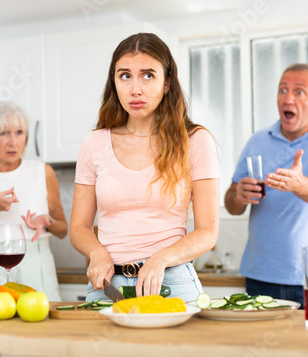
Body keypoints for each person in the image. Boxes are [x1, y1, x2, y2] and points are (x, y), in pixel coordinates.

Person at [70, 33, 219, 303]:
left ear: (167, 83)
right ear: (114, 82)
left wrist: (161, 258)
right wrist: (97, 253)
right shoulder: (94, 143)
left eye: (148, 75)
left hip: (170, 281)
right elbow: (79, 226)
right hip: (106, 285)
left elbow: (207, 232)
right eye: (125, 76)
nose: (135, 89)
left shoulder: (195, 141)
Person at [224, 63, 308, 310]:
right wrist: (238, 196)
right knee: (262, 349)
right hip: (261, 276)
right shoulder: (257, 140)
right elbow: (231, 204)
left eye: (299, 91)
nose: (288, 98)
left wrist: (298, 184)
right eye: (282, 90)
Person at [0, 101, 67, 301]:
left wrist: (48, 221)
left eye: (19, 132)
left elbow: (63, 230)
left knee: (40, 328)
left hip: (37, 265)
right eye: (3, 133)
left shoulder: (43, 172)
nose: (13, 142)